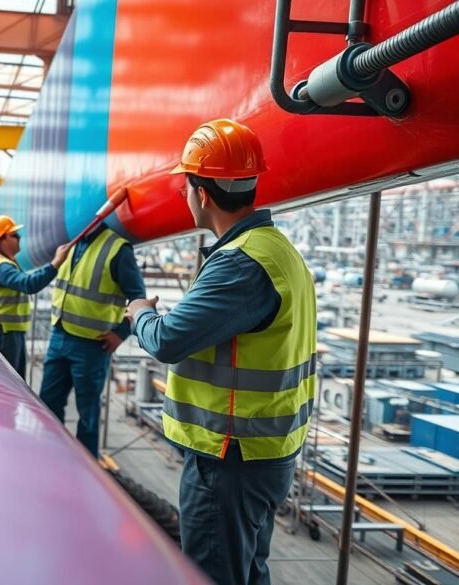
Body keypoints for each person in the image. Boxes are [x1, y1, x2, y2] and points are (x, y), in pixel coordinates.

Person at [126, 119, 316, 585]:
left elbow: (167, 340)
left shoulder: (238, 265)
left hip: (228, 457)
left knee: (215, 573)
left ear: (202, 193)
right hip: (260, 452)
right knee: (248, 571)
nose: (184, 196)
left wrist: (138, 314)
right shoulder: (274, 251)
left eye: (185, 185)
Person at [39, 212, 146, 458]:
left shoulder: (118, 249)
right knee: (47, 405)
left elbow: (139, 298)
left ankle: (86, 469)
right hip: (59, 335)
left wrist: (121, 332)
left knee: (88, 414)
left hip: (92, 346)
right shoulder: (69, 246)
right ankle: (47, 459)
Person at [0, 215, 71, 379]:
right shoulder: (2, 267)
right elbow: (29, 284)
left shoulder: (6, 263)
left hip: (9, 332)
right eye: (14, 235)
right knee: (9, 385)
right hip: (4, 334)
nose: (19, 238)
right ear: (2, 239)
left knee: (13, 383)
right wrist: (55, 264)